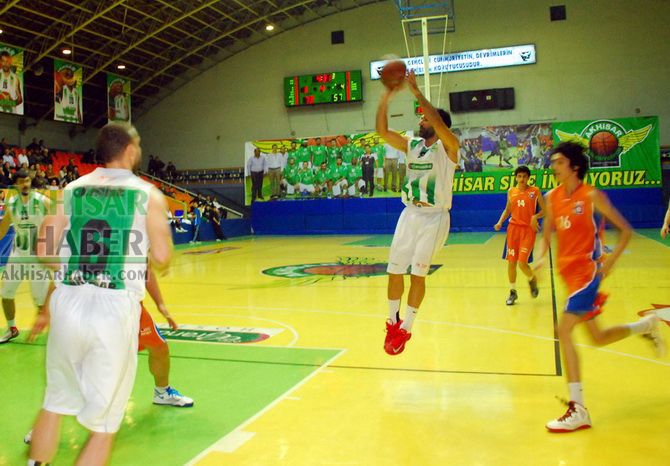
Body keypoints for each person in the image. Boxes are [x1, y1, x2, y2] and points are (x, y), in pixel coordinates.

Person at [27, 122, 172, 465]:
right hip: (113, 307)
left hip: (68, 301)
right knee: (105, 426)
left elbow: (44, 250)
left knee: (54, 402)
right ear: (131, 150)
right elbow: (163, 258)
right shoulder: (147, 194)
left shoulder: (71, 189)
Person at [537, 142, 665, 433]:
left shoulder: (591, 195)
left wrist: (610, 263)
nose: (553, 167)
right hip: (569, 276)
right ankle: (645, 326)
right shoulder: (551, 197)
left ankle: (578, 408)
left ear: (574, 166)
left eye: (558, 162)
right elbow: (546, 233)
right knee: (597, 337)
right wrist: (541, 258)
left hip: (587, 273)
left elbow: (626, 231)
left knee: (564, 330)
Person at [376, 71, 460, 355]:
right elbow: (382, 133)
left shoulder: (449, 148)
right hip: (409, 214)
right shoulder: (412, 145)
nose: (420, 120)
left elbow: (435, 120)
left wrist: (415, 92)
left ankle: (407, 328)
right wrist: (385, 99)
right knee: (394, 270)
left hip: (434, 217)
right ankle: (392, 321)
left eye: (425, 118)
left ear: (439, 125)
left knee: (418, 274)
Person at [0, 170, 50, 344]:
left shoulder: (42, 201)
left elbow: (59, 219)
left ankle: (52, 330)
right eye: (21, 181)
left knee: (41, 300)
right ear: (16, 185)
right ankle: (12, 329)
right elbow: (2, 229)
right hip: (18, 256)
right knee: (6, 294)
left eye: (27, 180)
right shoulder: (12, 204)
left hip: (37, 258)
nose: (25, 184)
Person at [494, 165, 544, 305]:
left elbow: (545, 210)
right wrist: (499, 222)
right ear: (516, 177)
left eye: (524, 176)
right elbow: (507, 210)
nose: (521, 179)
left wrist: (535, 217)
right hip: (513, 230)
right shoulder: (511, 191)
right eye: (519, 176)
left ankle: (531, 279)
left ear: (528, 178)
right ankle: (512, 292)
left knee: (522, 263)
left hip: (528, 230)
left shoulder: (535, 192)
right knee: (511, 262)